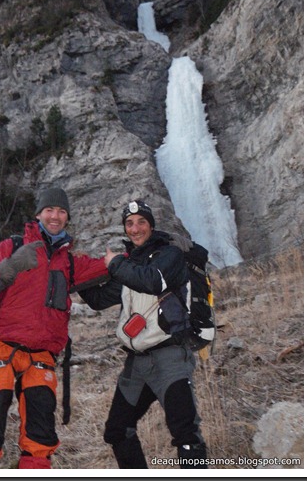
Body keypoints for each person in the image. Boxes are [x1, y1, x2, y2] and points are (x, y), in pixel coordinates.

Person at [0, 188, 109, 469]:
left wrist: (150, 250)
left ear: (67, 217)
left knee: (40, 439)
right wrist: (11, 266)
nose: (55, 216)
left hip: (41, 356)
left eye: (62, 211)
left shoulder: (68, 261)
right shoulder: (12, 247)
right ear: (38, 214)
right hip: (0, 348)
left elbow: (107, 265)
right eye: (50, 210)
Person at [79, 200, 208, 469]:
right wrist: (75, 277)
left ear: (151, 225)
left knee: (187, 437)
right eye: (129, 223)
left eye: (141, 222)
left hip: (170, 357)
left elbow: (152, 280)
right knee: (117, 430)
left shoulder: (169, 254)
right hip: (137, 364)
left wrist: (114, 264)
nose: (135, 228)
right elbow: (100, 299)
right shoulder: (130, 264)